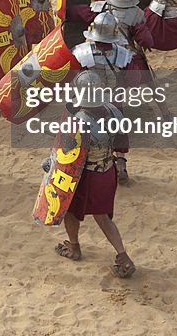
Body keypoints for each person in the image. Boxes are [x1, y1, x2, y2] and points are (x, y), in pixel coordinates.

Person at [52, 70, 135, 279]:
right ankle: (123, 256)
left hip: (86, 177)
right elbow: (122, 143)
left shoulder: (79, 122)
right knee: (103, 217)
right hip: (108, 173)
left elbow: (67, 155)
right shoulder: (114, 111)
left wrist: (49, 164)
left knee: (69, 211)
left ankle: (74, 247)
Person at [65, 0, 154, 51]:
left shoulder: (98, 7)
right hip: (122, 52)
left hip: (94, 50)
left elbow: (76, 12)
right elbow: (146, 40)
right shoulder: (136, 14)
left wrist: (64, 12)